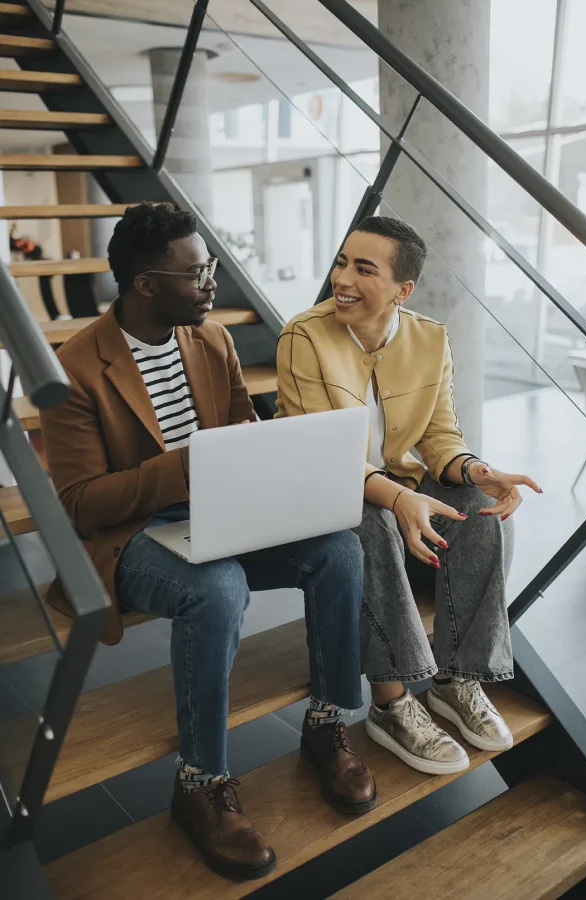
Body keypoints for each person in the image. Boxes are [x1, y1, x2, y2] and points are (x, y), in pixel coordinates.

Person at [39, 202, 375, 882]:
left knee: (340, 550)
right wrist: (184, 466)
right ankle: (200, 783)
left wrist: (272, 462)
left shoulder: (212, 340)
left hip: (220, 512)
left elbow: (241, 431)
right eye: (196, 273)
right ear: (146, 285)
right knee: (218, 587)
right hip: (130, 536)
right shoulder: (76, 368)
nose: (211, 282)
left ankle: (326, 721)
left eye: (211, 267)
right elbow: (79, 504)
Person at [275, 215, 542, 777]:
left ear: (403, 289)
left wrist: (478, 471)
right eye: (342, 262)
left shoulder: (430, 337)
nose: (342, 278)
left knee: (483, 513)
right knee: (369, 522)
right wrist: (397, 499)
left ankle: (455, 681)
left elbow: (441, 436)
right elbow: (322, 456)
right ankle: (392, 703)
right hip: (321, 492)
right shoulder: (304, 335)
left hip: (399, 485)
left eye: (363, 268)